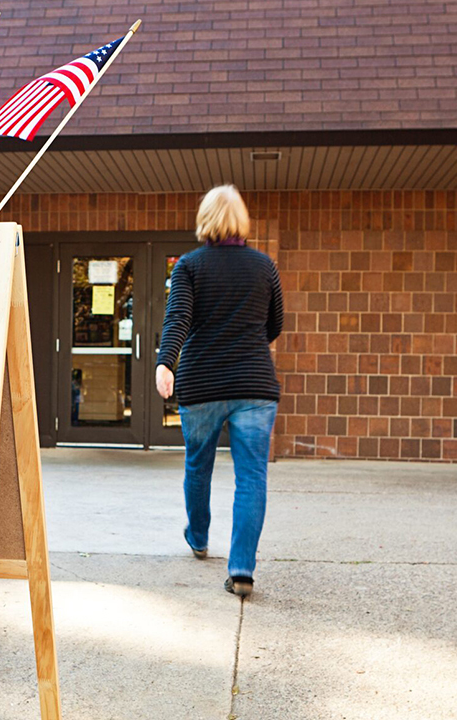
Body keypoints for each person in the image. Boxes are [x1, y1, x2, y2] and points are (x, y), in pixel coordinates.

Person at [155, 184, 283, 598]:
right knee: (252, 477)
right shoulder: (264, 266)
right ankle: (242, 568)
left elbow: (178, 319)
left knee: (199, 465)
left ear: (204, 219)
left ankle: (198, 537)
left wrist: (165, 362)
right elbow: (274, 326)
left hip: (203, 382)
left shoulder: (190, 266)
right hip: (254, 384)